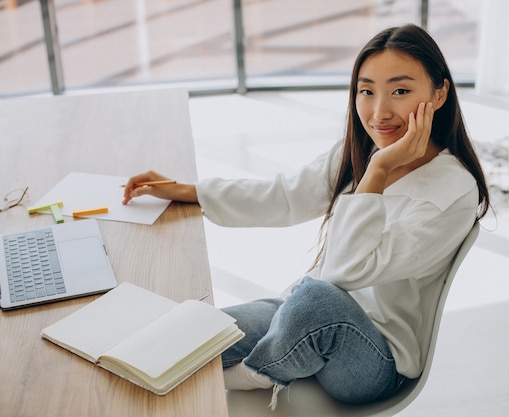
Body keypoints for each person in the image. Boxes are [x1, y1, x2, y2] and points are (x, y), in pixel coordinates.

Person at [123, 23, 490, 409]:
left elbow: (343, 273)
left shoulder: (452, 192)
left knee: (316, 297)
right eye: (366, 91)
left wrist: (379, 171)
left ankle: (253, 374)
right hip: (300, 317)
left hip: (374, 359)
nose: (379, 112)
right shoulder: (356, 152)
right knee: (193, 332)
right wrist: (189, 191)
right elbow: (283, 196)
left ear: (440, 93)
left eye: (400, 91)